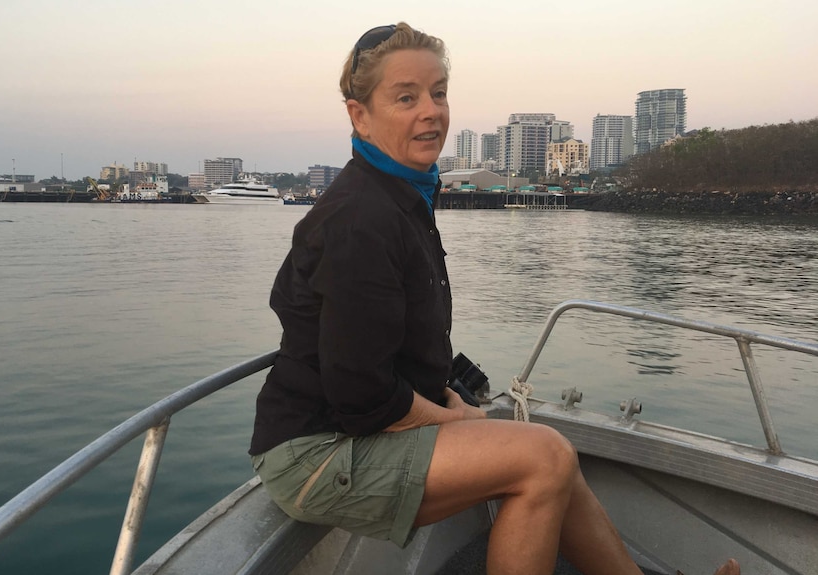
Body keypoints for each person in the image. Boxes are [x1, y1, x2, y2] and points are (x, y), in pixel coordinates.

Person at [249, 22, 740, 575]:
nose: (431, 110)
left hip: (358, 428)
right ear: (359, 115)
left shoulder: (400, 197)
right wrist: (453, 420)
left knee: (551, 455)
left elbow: (388, 348)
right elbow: (360, 395)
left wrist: (447, 400)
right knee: (543, 457)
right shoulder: (359, 218)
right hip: (321, 452)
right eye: (406, 97)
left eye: (439, 92)